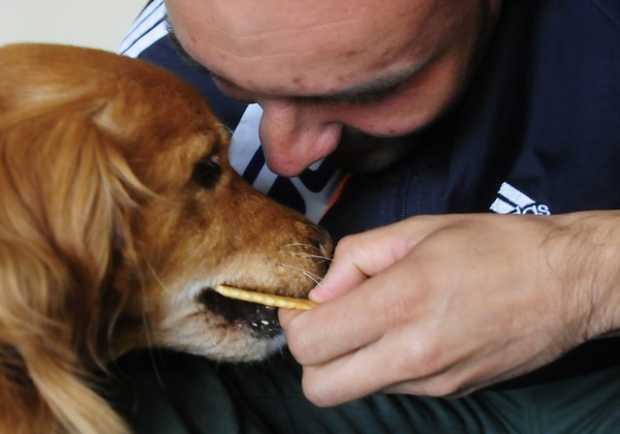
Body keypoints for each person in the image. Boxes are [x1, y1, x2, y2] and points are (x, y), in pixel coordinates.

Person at [112, 1, 620, 433]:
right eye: (227, 81)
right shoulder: (128, 102)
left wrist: (583, 276)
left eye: (367, 93)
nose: (284, 153)